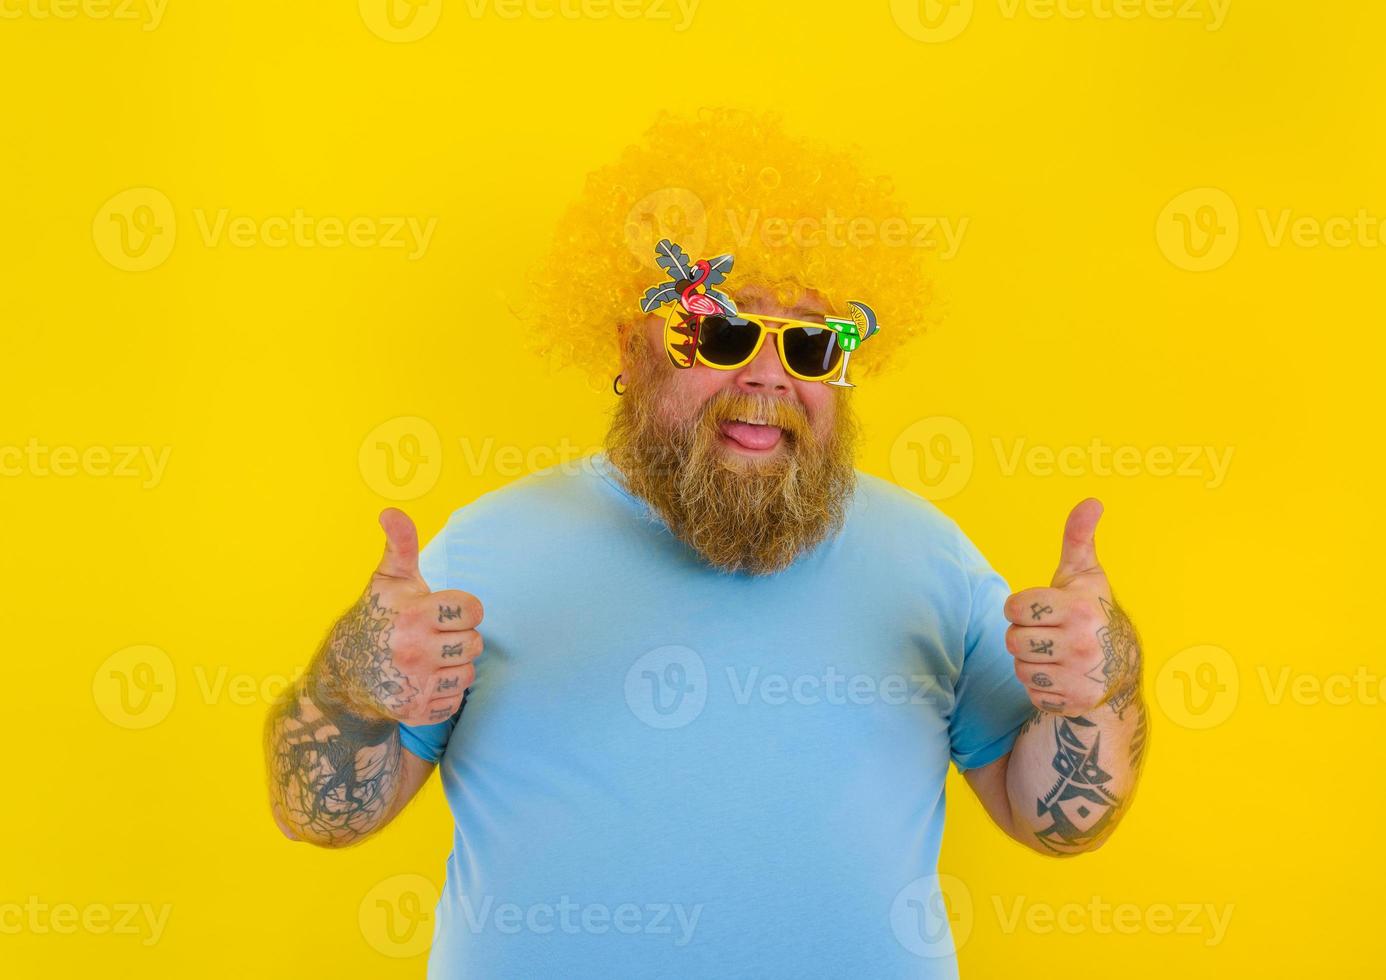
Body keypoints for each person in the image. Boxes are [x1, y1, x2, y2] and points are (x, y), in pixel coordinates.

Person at [263, 110, 1147, 977]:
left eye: (809, 344)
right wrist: (354, 683)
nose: (767, 374)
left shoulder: (928, 556)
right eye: (720, 332)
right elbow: (321, 813)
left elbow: (1056, 819)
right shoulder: (488, 551)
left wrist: (1101, 687)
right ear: (629, 347)